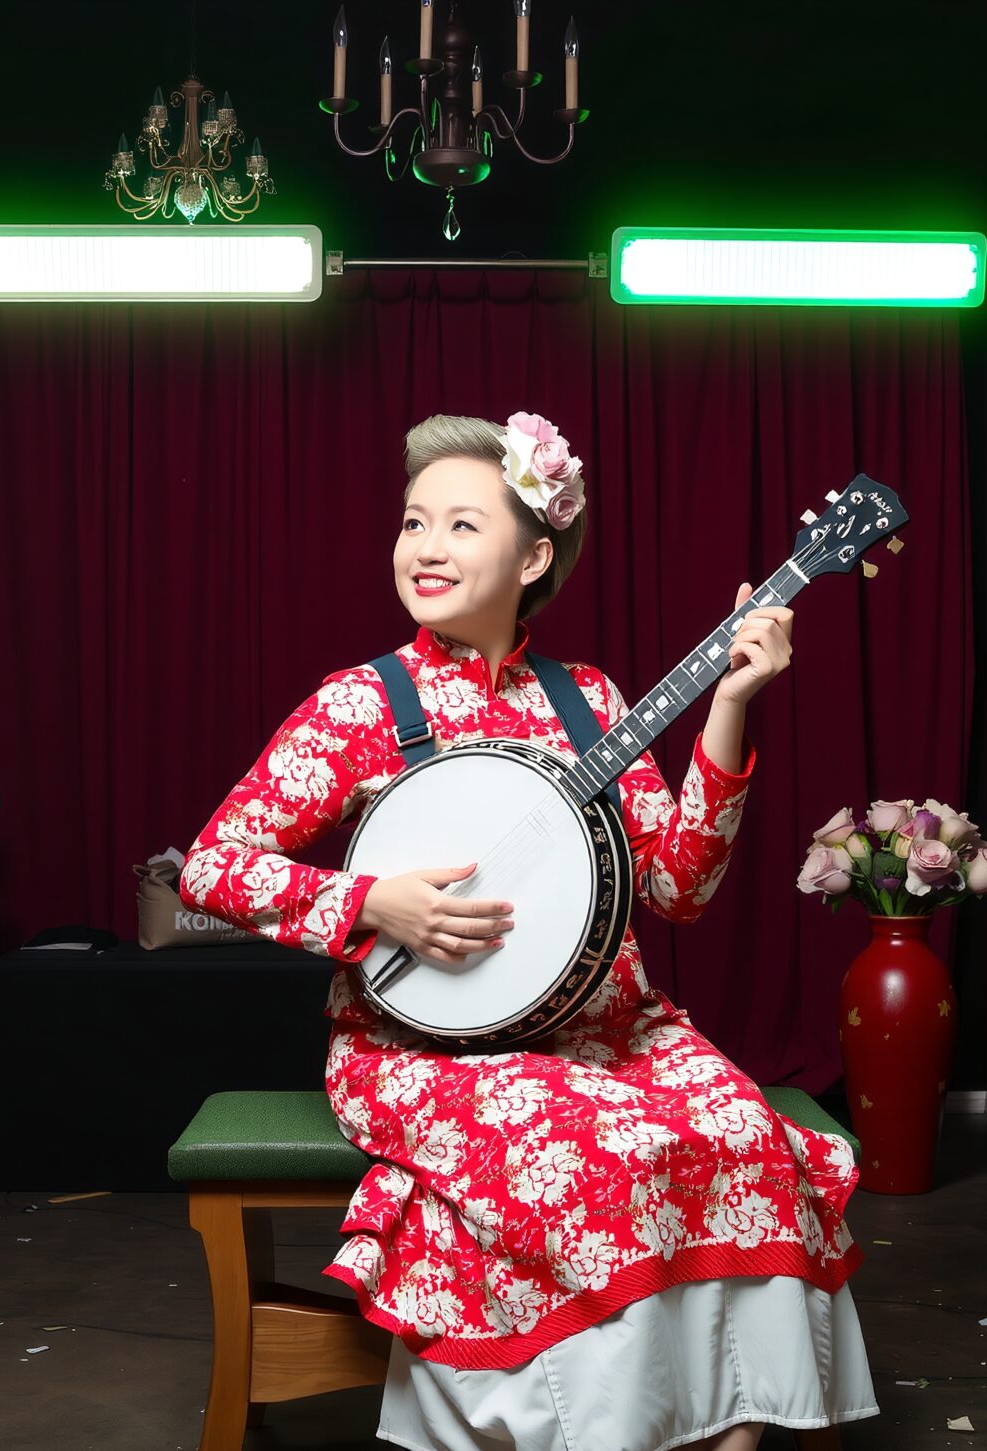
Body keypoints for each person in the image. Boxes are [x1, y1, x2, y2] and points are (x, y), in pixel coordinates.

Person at [179, 413, 875, 1451]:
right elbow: (211, 863)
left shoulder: (590, 701)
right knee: (603, 1152)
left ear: (535, 553)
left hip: (613, 1029)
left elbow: (679, 886)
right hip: (424, 1047)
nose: (426, 545)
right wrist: (371, 902)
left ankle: (729, 1430)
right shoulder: (361, 704)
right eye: (415, 521)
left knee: (744, 1137)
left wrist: (730, 702)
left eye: (462, 523)